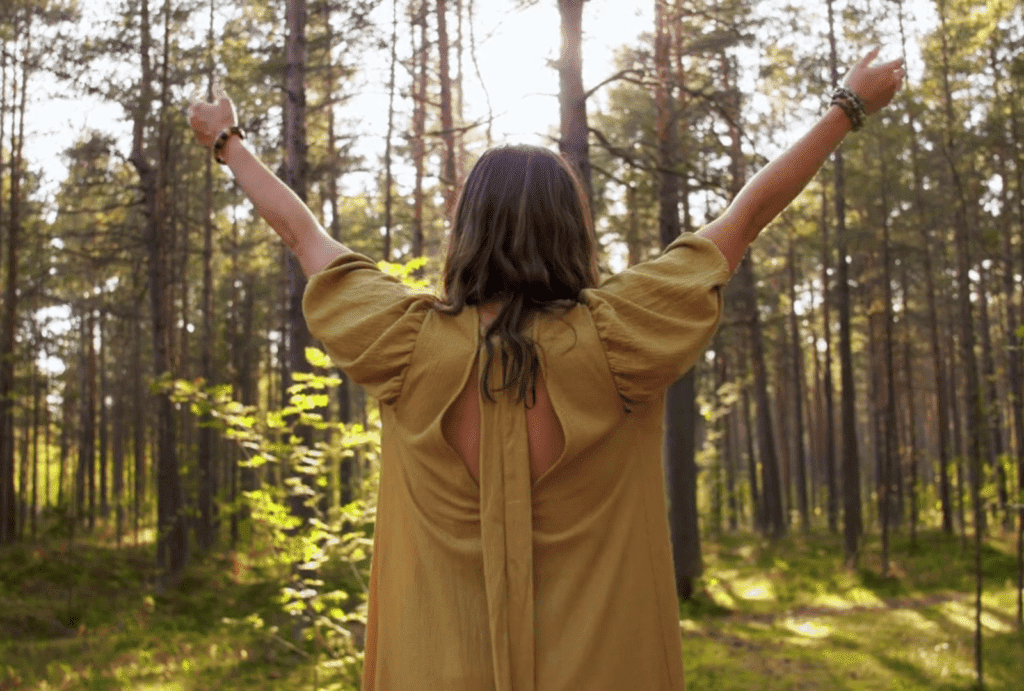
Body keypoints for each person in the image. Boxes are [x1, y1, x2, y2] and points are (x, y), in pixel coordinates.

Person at [189, 48, 903, 691]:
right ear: (573, 228)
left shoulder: (405, 346)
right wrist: (849, 105)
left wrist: (227, 141)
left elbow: (301, 232)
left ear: (467, 231)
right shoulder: (618, 337)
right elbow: (744, 219)